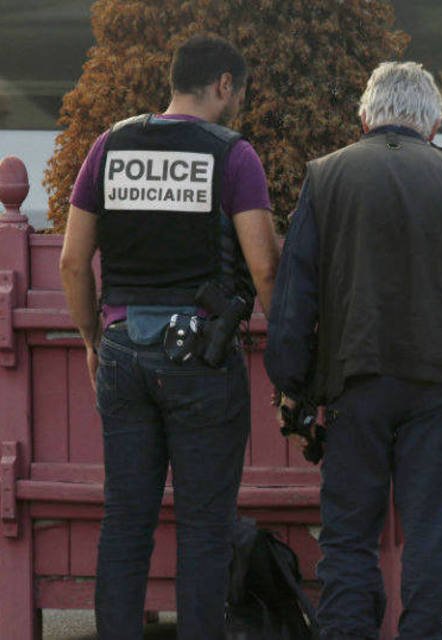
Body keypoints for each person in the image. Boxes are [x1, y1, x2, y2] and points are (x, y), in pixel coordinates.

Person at [264, 61, 442, 640]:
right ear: (433, 125)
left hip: (356, 383)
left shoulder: (325, 177)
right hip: (440, 385)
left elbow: (293, 296)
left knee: (350, 532)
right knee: (430, 532)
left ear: (364, 117)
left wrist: (294, 383)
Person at [59, 35, 279, 640]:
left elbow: (74, 263)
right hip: (201, 358)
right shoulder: (232, 156)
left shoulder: (110, 145)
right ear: (224, 85)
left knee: (125, 521)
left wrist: (89, 339)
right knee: (206, 528)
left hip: (123, 349)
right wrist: (291, 356)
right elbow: (264, 269)